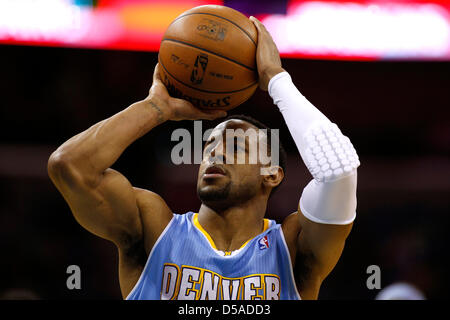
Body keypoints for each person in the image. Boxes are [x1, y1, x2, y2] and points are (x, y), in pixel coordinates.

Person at [47, 17, 359, 300]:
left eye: (235, 144)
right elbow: (69, 166)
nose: (215, 152)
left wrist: (276, 79)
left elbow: (340, 170)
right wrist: (155, 109)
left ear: (272, 174)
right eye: (209, 145)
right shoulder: (155, 228)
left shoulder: (292, 247)